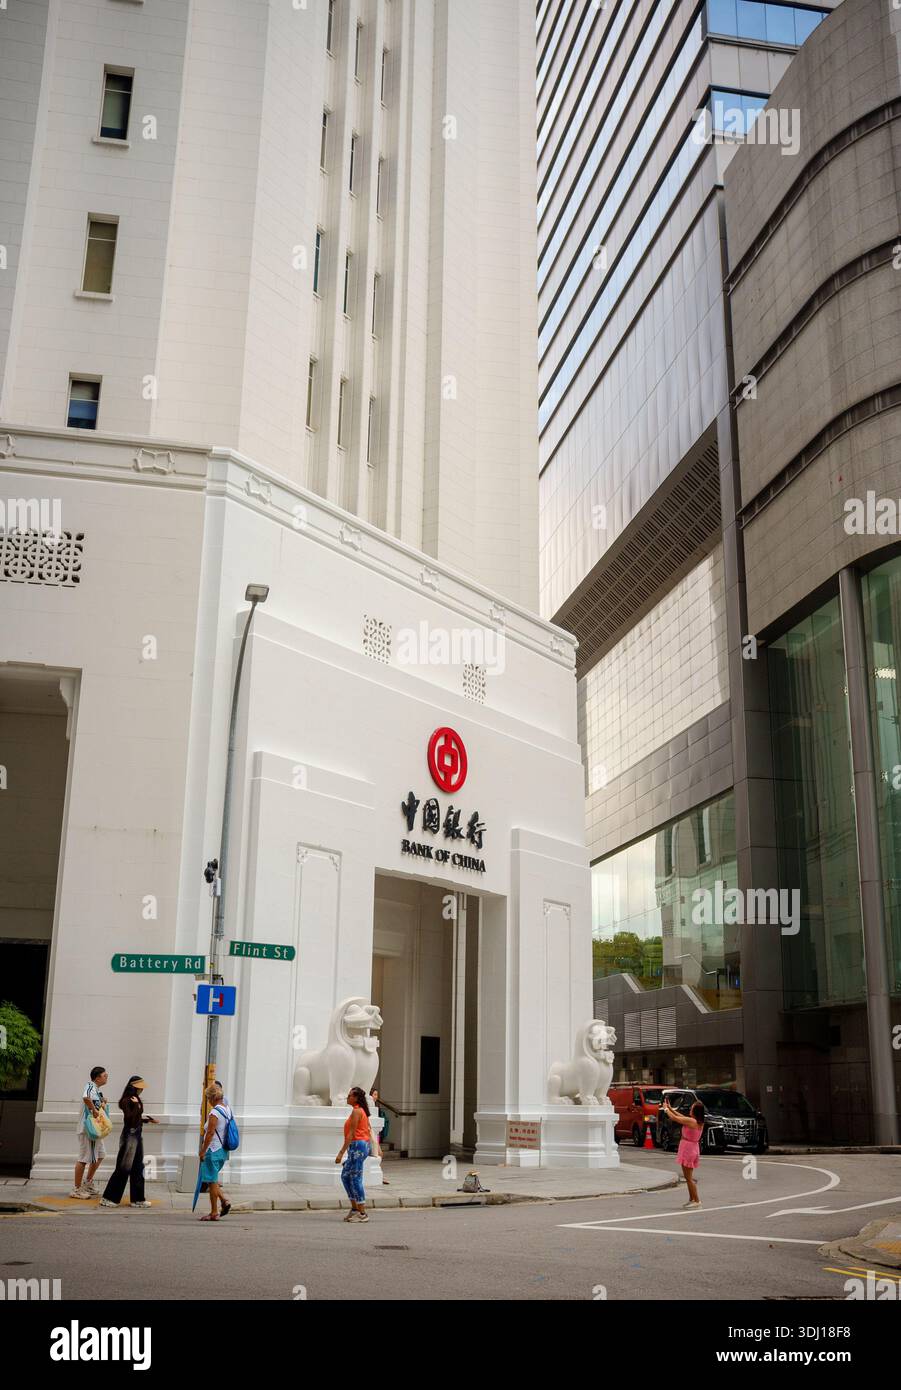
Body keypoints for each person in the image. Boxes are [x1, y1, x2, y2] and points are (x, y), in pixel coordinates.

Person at [99, 1076, 159, 1208]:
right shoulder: (126, 1101)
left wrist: (147, 1120)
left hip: (136, 1135)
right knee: (123, 1167)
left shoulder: (135, 1100)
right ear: (134, 1087)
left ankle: (138, 1199)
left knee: (138, 1168)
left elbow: (136, 1118)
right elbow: (130, 1119)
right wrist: (137, 1105)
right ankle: (109, 1198)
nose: (141, 1091)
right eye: (139, 1088)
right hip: (130, 1136)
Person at [197, 1082, 234, 1222]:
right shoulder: (227, 1109)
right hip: (223, 1150)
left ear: (212, 1098)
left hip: (212, 1150)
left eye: (207, 1098)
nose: (208, 1101)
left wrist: (202, 1151)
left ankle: (214, 1212)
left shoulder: (214, 1112)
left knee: (212, 1181)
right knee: (213, 1180)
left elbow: (210, 1133)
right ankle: (224, 1201)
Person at [72, 1065, 109, 1198]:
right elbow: (86, 1098)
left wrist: (102, 1102)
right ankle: (76, 1189)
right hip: (87, 1129)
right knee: (83, 1158)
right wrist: (93, 1109)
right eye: (105, 1075)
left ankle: (87, 1182)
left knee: (100, 1155)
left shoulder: (97, 1091)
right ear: (97, 1077)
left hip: (95, 1130)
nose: (107, 1077)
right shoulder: (90, 1086)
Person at [336, 1086, 371, 1222]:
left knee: (355, 1178)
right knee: (346, 1176)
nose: (347, 1097)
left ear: (356, 1098)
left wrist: (341, 1153)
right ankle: (355, 1208)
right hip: (356, 1147)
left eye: (350, 1095)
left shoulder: (357, 1112)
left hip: (358, 1146)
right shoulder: (358, 1111)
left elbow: (351, 1134)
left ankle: (362, 1213)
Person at [663, 1095, 704, 1208]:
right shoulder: (697, 1122)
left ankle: (696, 1200)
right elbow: (680, 1117)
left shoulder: (692, 1121)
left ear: (696, 1111)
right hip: (691, 1148)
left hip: (688, 1150)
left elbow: (675, 1118)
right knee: (688, 1177)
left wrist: (666, 1109)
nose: (690, 1109)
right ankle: (692, 1199)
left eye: (692, 1108)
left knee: (689, 1178)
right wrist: (671, 1109)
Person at [370, 1086, 389, 1184]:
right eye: (374, 1094)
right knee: (378, 1154)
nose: (376, 1097)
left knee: (379, 1154)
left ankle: (380, 1174)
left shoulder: (375, 1107)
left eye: (377, 1095)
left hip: (376, 1134)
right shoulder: (370, 1107)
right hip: (371, 1134)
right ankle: (379, 1175)